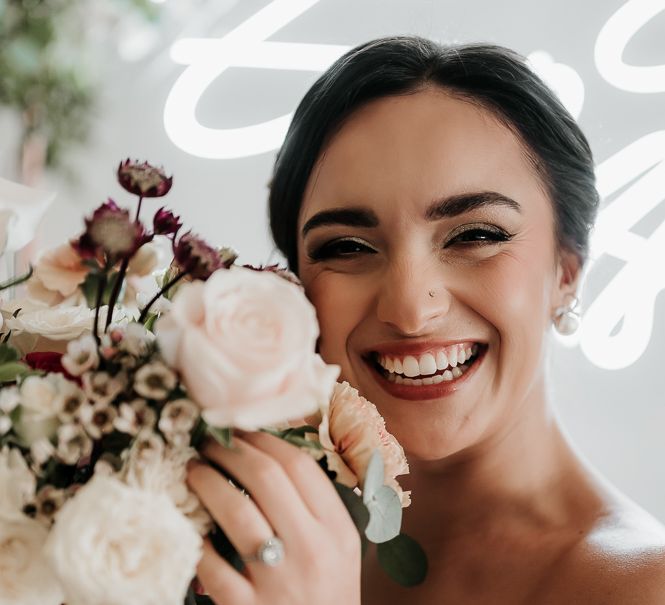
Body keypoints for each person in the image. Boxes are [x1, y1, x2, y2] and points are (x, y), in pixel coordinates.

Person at [187, 36, 665, 604]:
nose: (411, 310)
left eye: (475, 235)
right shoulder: (222, 533)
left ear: (566, 272)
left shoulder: (640, 587)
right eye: (347, 246)